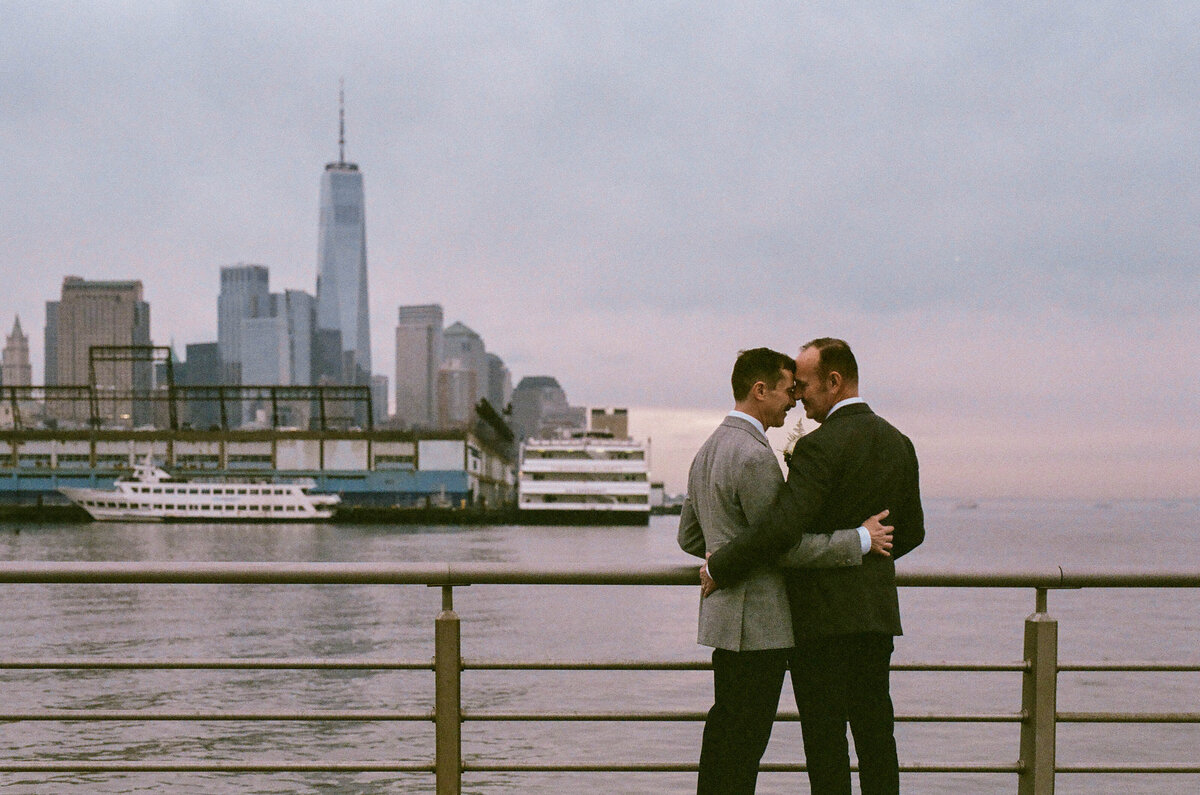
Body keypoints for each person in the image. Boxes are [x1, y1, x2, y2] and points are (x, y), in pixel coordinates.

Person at [703, 338, 924, 795]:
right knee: (877, 733)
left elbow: (781, 531)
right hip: (875, 615)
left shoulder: (818, 447)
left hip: (819, 620)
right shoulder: (898, 442)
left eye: (804, 385)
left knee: (826, 743)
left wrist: (721, 566)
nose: (799, 395)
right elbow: (913, 531)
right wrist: (869, 556)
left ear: (834, 381)